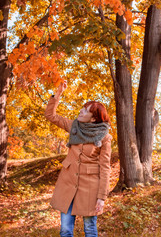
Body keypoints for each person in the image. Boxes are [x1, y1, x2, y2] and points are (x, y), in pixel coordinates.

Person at [44, 80, 112, 237]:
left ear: (94, 118)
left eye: (85, 111)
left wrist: (102, 197)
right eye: (82, 108)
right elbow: (50, 115)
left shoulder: (105, 137)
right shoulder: (74, 126)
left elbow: (105, 168)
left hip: (90, 188)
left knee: (89, 228)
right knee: (65, 230)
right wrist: (58, 93)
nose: (80, 112)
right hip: (68, 184)